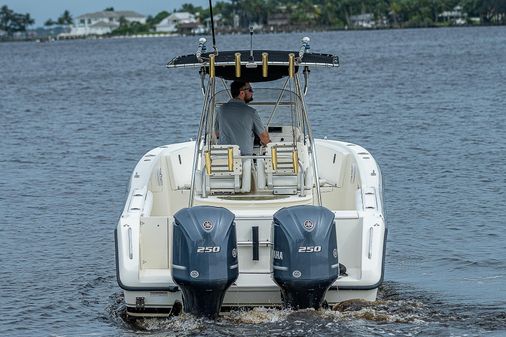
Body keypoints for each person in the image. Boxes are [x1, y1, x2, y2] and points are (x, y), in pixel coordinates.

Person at [215, 80, 270, 155]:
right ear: (242, 93)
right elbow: (264, 138)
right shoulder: (251, 112)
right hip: (244, 159)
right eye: (250, 90)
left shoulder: (221, 110)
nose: (252, 92)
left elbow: (217, 133)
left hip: (224, 158)